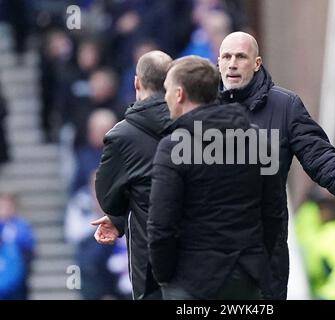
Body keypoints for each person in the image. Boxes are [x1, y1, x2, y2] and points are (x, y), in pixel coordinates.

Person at [218, 32, 335, 299]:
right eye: (226, 57)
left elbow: (322, 159)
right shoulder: (200, 105)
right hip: (210, 253)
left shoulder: (285, 106)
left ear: (257, 63)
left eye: (240, 57)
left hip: (263, 251)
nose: (232, 64)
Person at [147, 56, 284, 300]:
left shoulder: (172, 148)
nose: (165, 98)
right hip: (247, 276)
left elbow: (161, 226)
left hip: (192, 280)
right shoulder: (258, 141)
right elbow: (274, 213)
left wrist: (165, 277)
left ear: (179, 94)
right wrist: (255, 258)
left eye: (167, 90)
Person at [93, 50, 173, 300]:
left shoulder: (122, 136)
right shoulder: (197, 127)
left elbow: (108, 198)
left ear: (137, 83)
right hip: (199, 259)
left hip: (151, 262)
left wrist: (118, 218)